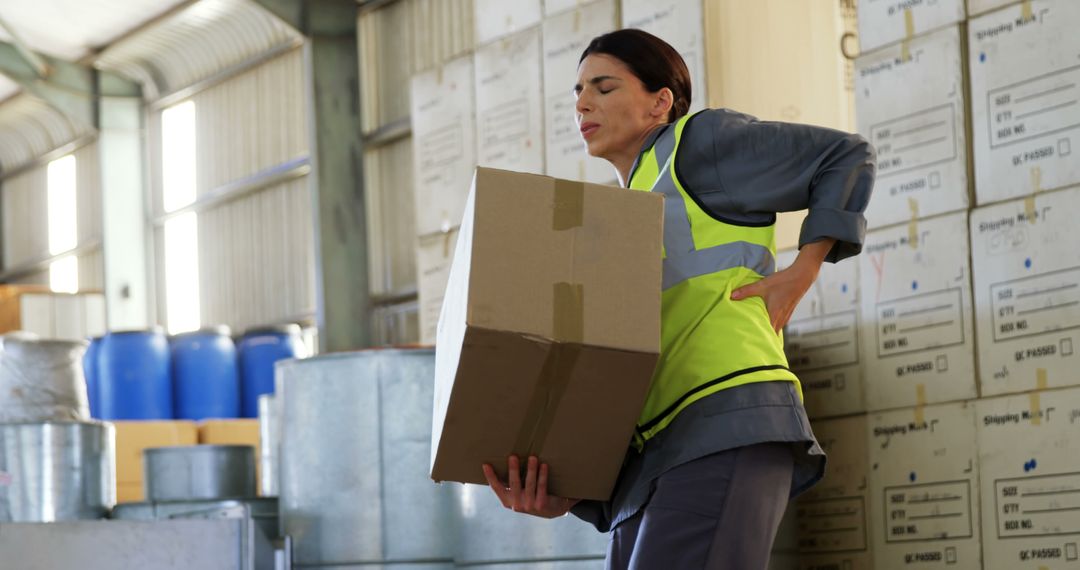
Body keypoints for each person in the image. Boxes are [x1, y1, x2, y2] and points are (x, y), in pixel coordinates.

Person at [481, 28, 875, 569]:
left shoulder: (698, 145)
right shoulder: (617, 215)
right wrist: (571, 491)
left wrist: (803, 270)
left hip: (724, 421)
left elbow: (845, 155)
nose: (583, 104)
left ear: (660, 101)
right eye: (577, 92)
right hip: (652, 459)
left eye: (604, 87)